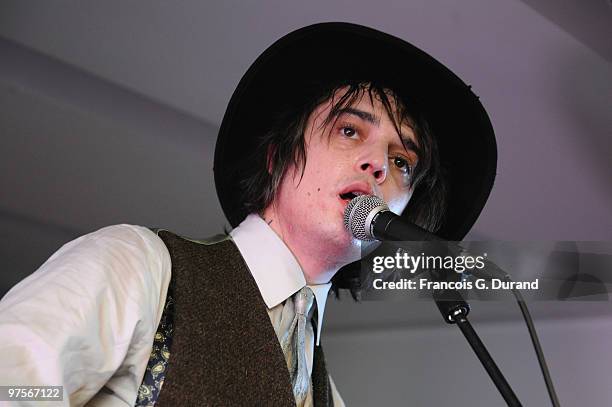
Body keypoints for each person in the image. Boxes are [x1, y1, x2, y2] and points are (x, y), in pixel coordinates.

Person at [0, 23, 496, 406]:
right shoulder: (140, 267)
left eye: (402, 161)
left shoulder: (329, 396)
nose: (378, 166)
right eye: (349, 131)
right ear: (276, 156)